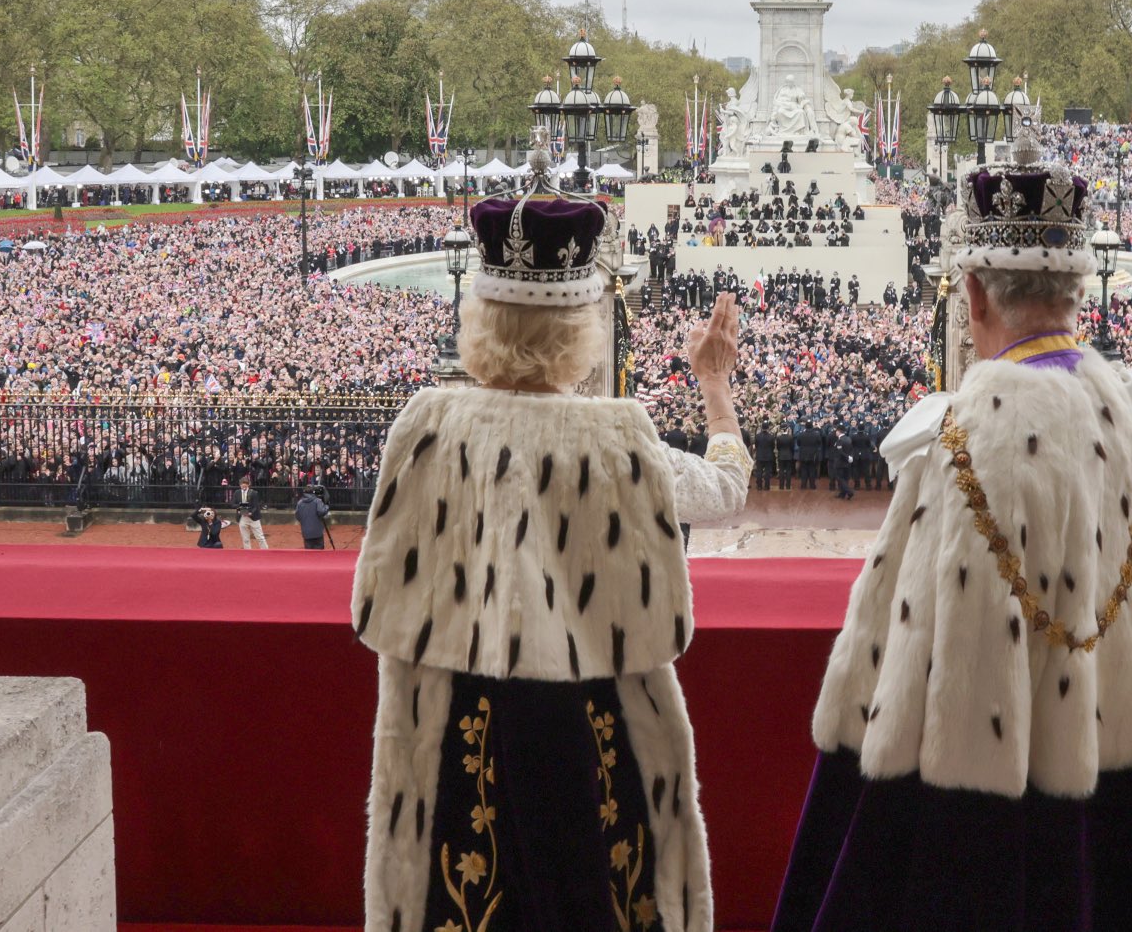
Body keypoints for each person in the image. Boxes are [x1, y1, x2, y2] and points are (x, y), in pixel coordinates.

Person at [771, 123, 1132, 932]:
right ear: (1076, 291)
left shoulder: (961, 444)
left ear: (973, 296)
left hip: (997, 829)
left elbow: (914, 682)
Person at [350, 150, 751, 932]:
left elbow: (377, 602)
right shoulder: (619, 438)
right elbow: (725, 489)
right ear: (582, 326)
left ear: (482, 318)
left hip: (454, 735)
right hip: (592, 730)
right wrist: (715, 388)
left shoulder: (425, 426)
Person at [231, 475, 267, 550]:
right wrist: (240, 507)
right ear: (240, 485)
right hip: (242, 517)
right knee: (245, 539)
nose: (243, 486)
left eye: (245, 484)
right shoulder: (237, 493)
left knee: (260, 537)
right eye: (242, 485)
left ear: (248, 485)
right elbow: (232, 504)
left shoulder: (254, 493)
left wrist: (251, 513)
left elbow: (256, 506)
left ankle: (265, 552)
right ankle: (248, 553)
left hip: (253, 518)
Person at [296, 485, 333, 550]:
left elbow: (298, 516)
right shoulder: (317, 501)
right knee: (319, 552)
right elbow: (321, 512)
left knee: (309, 553)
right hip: (317, 532)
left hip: (306, 533)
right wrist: (326, 506)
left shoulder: (300, 503)